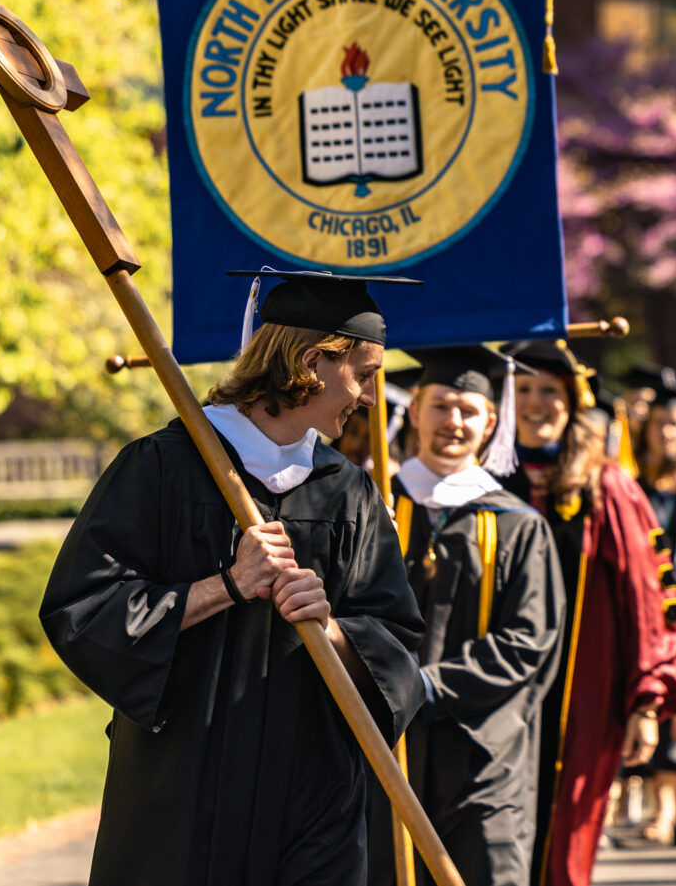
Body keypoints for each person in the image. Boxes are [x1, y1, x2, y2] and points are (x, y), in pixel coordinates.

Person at [40, 272, 425, 886]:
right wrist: (227, 583)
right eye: (365, 372)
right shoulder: (163, 468)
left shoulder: (346, 491)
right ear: (310, 362)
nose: (371, 399)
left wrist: (334, 628)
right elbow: (83, 610)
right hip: (186, 787)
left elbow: (399, 641)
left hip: (314, 793)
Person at [501, 341, 676, 886]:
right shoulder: (482, 480)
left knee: (567, 837)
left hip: (582, 693)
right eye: (524, 392)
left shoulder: (607, 486)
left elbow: (647, 600)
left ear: (572, 402)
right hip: (494, 692)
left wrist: (647, 700)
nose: (538, 405)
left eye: (550, 392)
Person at [388, 346, 566, 886]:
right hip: (383, 742)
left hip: (486, 755)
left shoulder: (518, 525)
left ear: (492, 422)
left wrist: (424, 684)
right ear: (415, 409)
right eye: (441, 406)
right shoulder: (373, 506)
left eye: (468, 410)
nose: (454, 422)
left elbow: (529, 641)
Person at [624, 375, 676, 844]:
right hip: (647, 612)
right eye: (660, 424)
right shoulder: (632, 487)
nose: (668, 433)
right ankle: (663, 808)